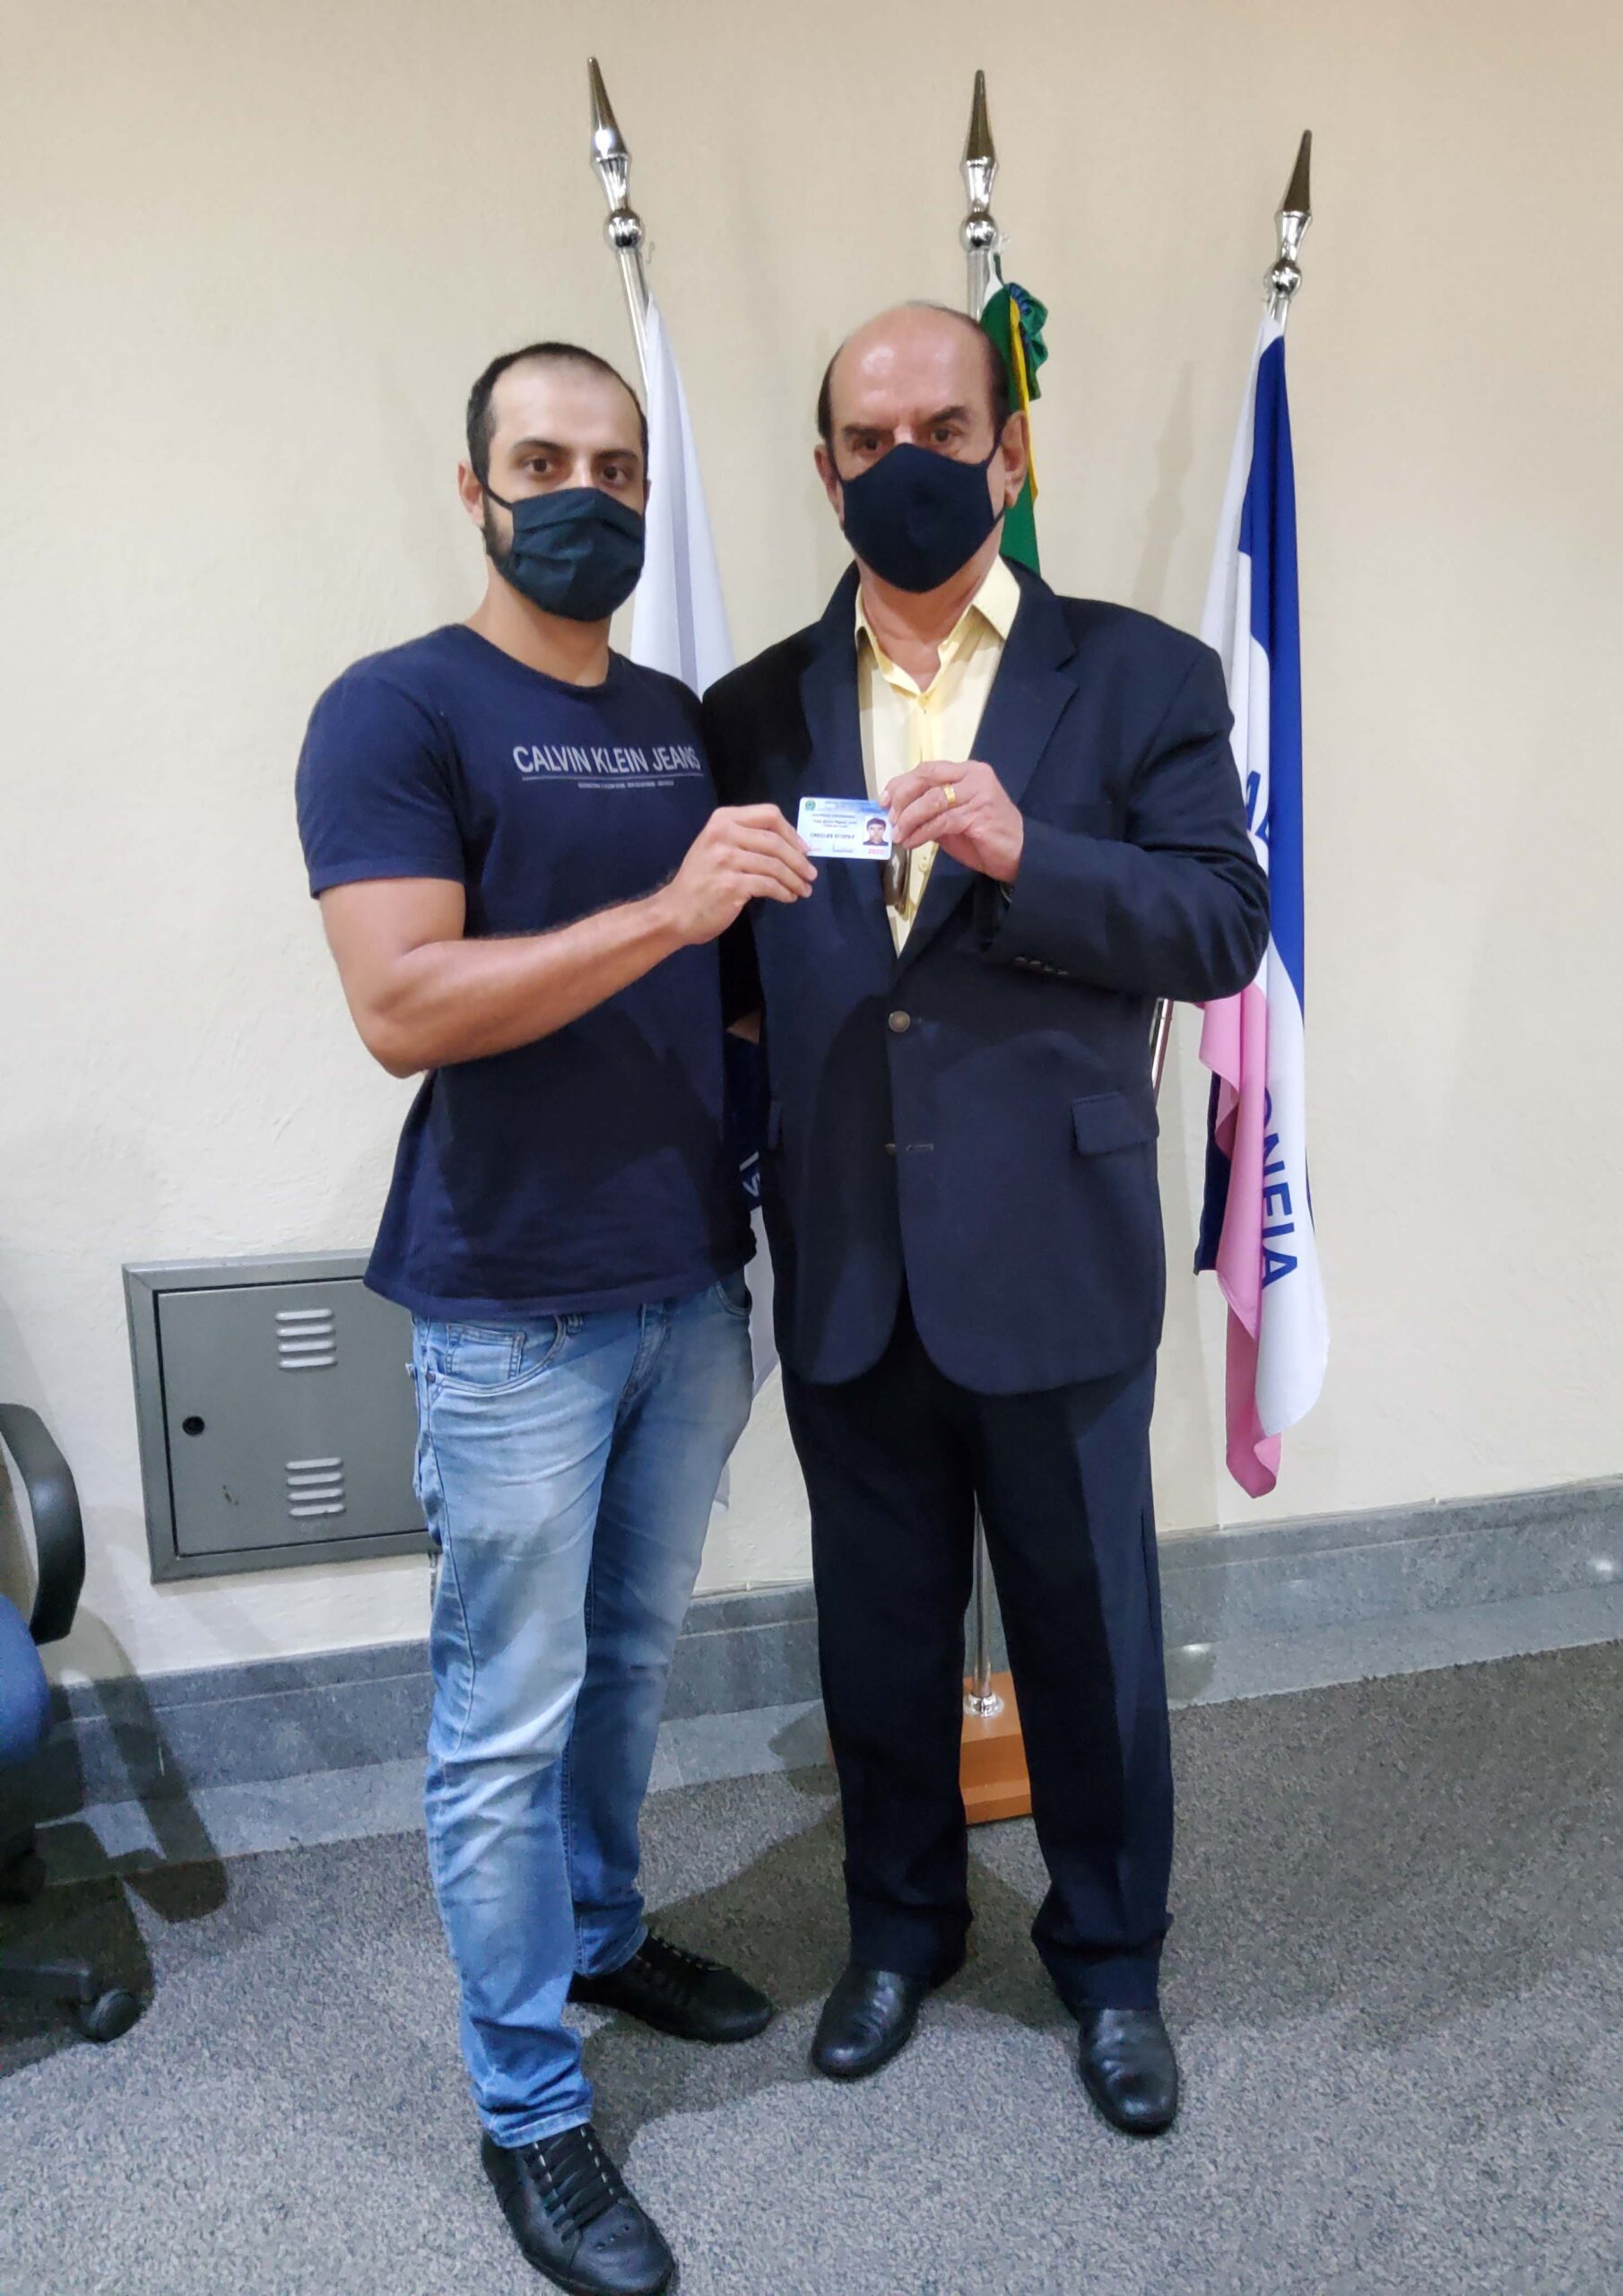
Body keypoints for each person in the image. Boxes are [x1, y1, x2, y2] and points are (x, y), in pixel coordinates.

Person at [702, 302, 1270, 2137]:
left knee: (1087, 1632)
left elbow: (1221, 925)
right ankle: (900, 1929)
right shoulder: (751, 710)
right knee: (877, 1634)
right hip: (851, 1257)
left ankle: (1109, 1959)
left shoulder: (1144, 675)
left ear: (1010, 452)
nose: (912, 465)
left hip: (1055, 1251)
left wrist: (1033, 854)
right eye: (871, 442)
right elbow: (738, 986)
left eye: (948, 429)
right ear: (827, 474)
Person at [295, 341, 814, 2296]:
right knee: (503, 1718)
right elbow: (402, 1005)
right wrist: (668, 916)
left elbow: (725, 983)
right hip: (513, 1305)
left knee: (630, 1659)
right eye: (541, 463)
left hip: (689, 1282)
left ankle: (598, 1933)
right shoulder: (396, 708)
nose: (582, 494)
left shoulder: (677, 720)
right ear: (476, 489)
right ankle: (528, 2106)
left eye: (614, 464)